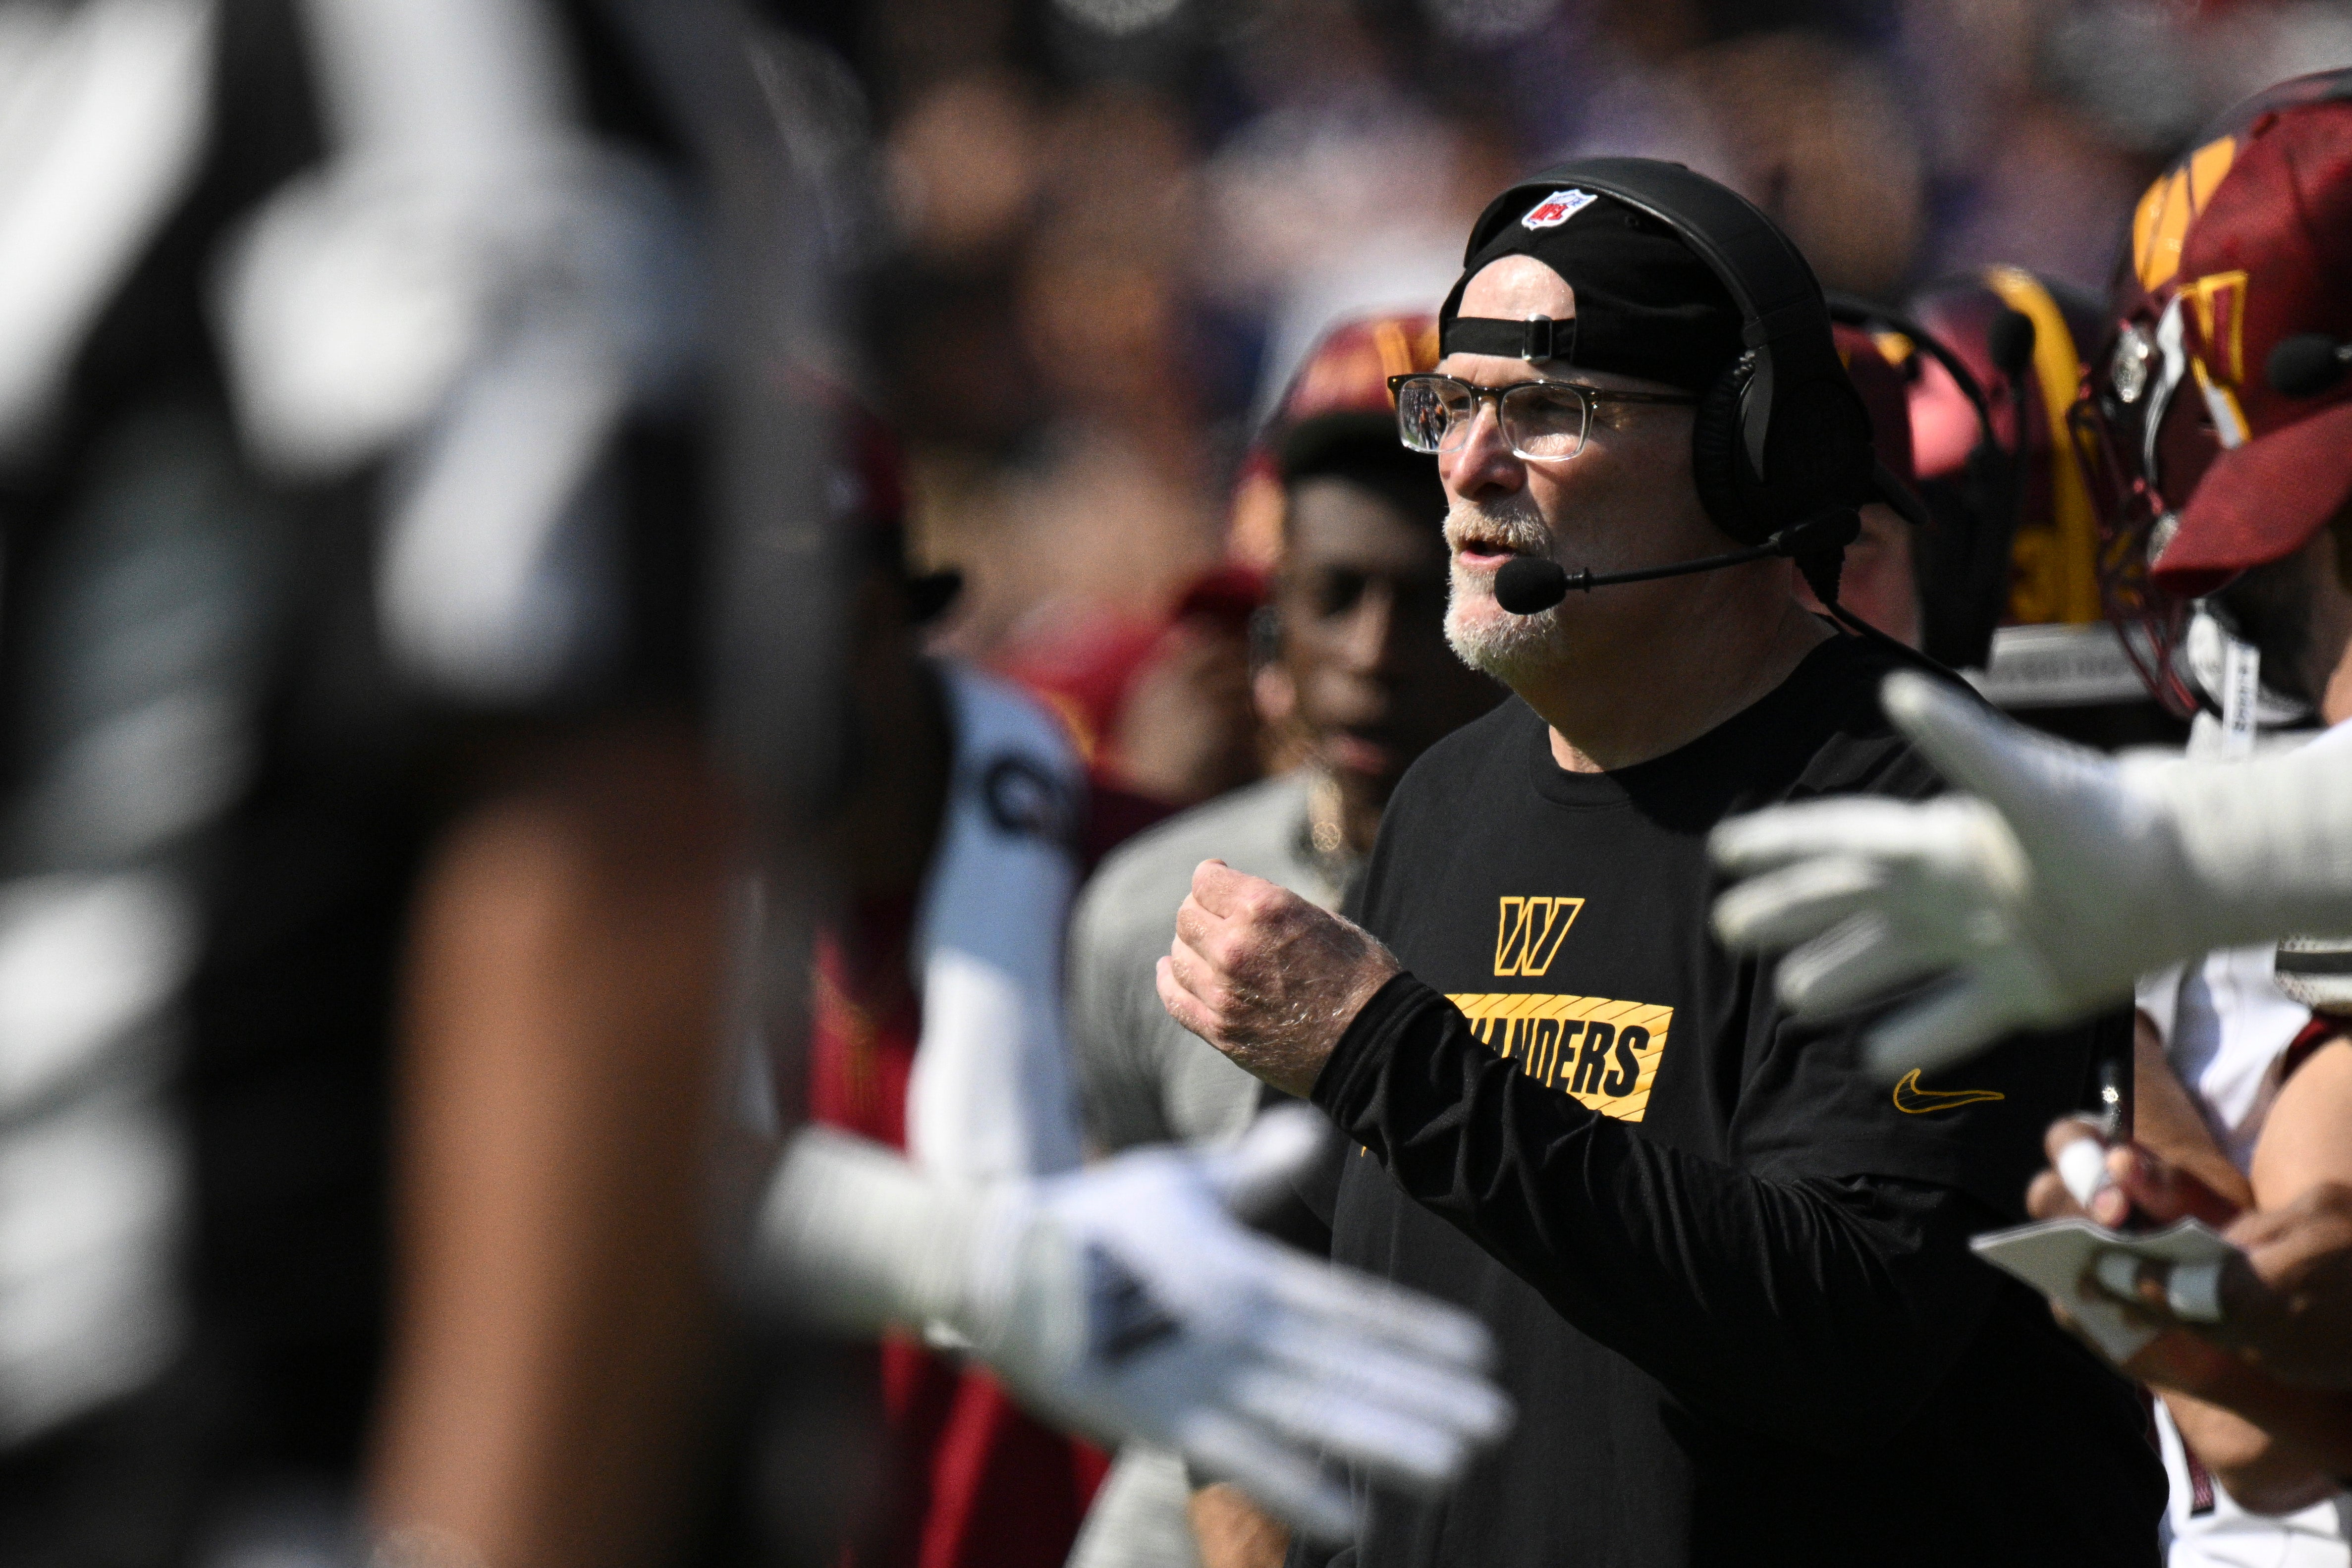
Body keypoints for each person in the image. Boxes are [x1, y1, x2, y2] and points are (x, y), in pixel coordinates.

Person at [1154, 158, 2163, 1566]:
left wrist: (1390, 1051)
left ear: (1746, 456)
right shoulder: (1446, 801)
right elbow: (1289, 1278)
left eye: (1547, 411)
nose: (1465, 466)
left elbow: (1846, 1325)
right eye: (1450, 404)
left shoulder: (1937, 813)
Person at [1062, 311, 1499, 1568]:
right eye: (1332, 596)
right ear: (1271, 632)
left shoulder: (1586, 874)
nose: (1371, 655)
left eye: (1422, 600)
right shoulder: (1146, 910)